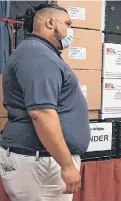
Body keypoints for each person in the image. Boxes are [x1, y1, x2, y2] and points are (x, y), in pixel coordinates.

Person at [0, 4, 90, 201]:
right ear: (50, 23)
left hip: (40, 162)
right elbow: (41, 113)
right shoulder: (37, 55)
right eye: (67, 24)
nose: (70, 31)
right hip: (39, 163)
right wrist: (67, 165)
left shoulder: (38, 53)